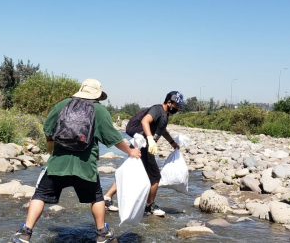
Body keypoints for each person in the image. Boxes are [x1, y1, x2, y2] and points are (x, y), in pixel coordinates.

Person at [11, 78, 141, 243]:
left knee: (40, 195)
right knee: (96, 197)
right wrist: (130, 151)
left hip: (58, 163)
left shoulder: (62, 104)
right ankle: (102, 234)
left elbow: (48, 128)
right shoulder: (99, 111)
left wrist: (50, 143)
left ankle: (25, 233)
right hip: (85, 165)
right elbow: (113, 138)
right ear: (97, 95)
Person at [104, 91, 187, 216]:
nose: (178, 107)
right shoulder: (157, 109)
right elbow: (145, 121)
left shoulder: (164, 114)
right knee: (155, 177)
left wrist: (172, 142)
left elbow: (162, 129)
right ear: (169, 102)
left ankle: (107, 198)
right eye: (177, 105)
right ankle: (150, 205)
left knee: (128, 173)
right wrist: (149, 138)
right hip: (143, 146)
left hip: (144, 146)